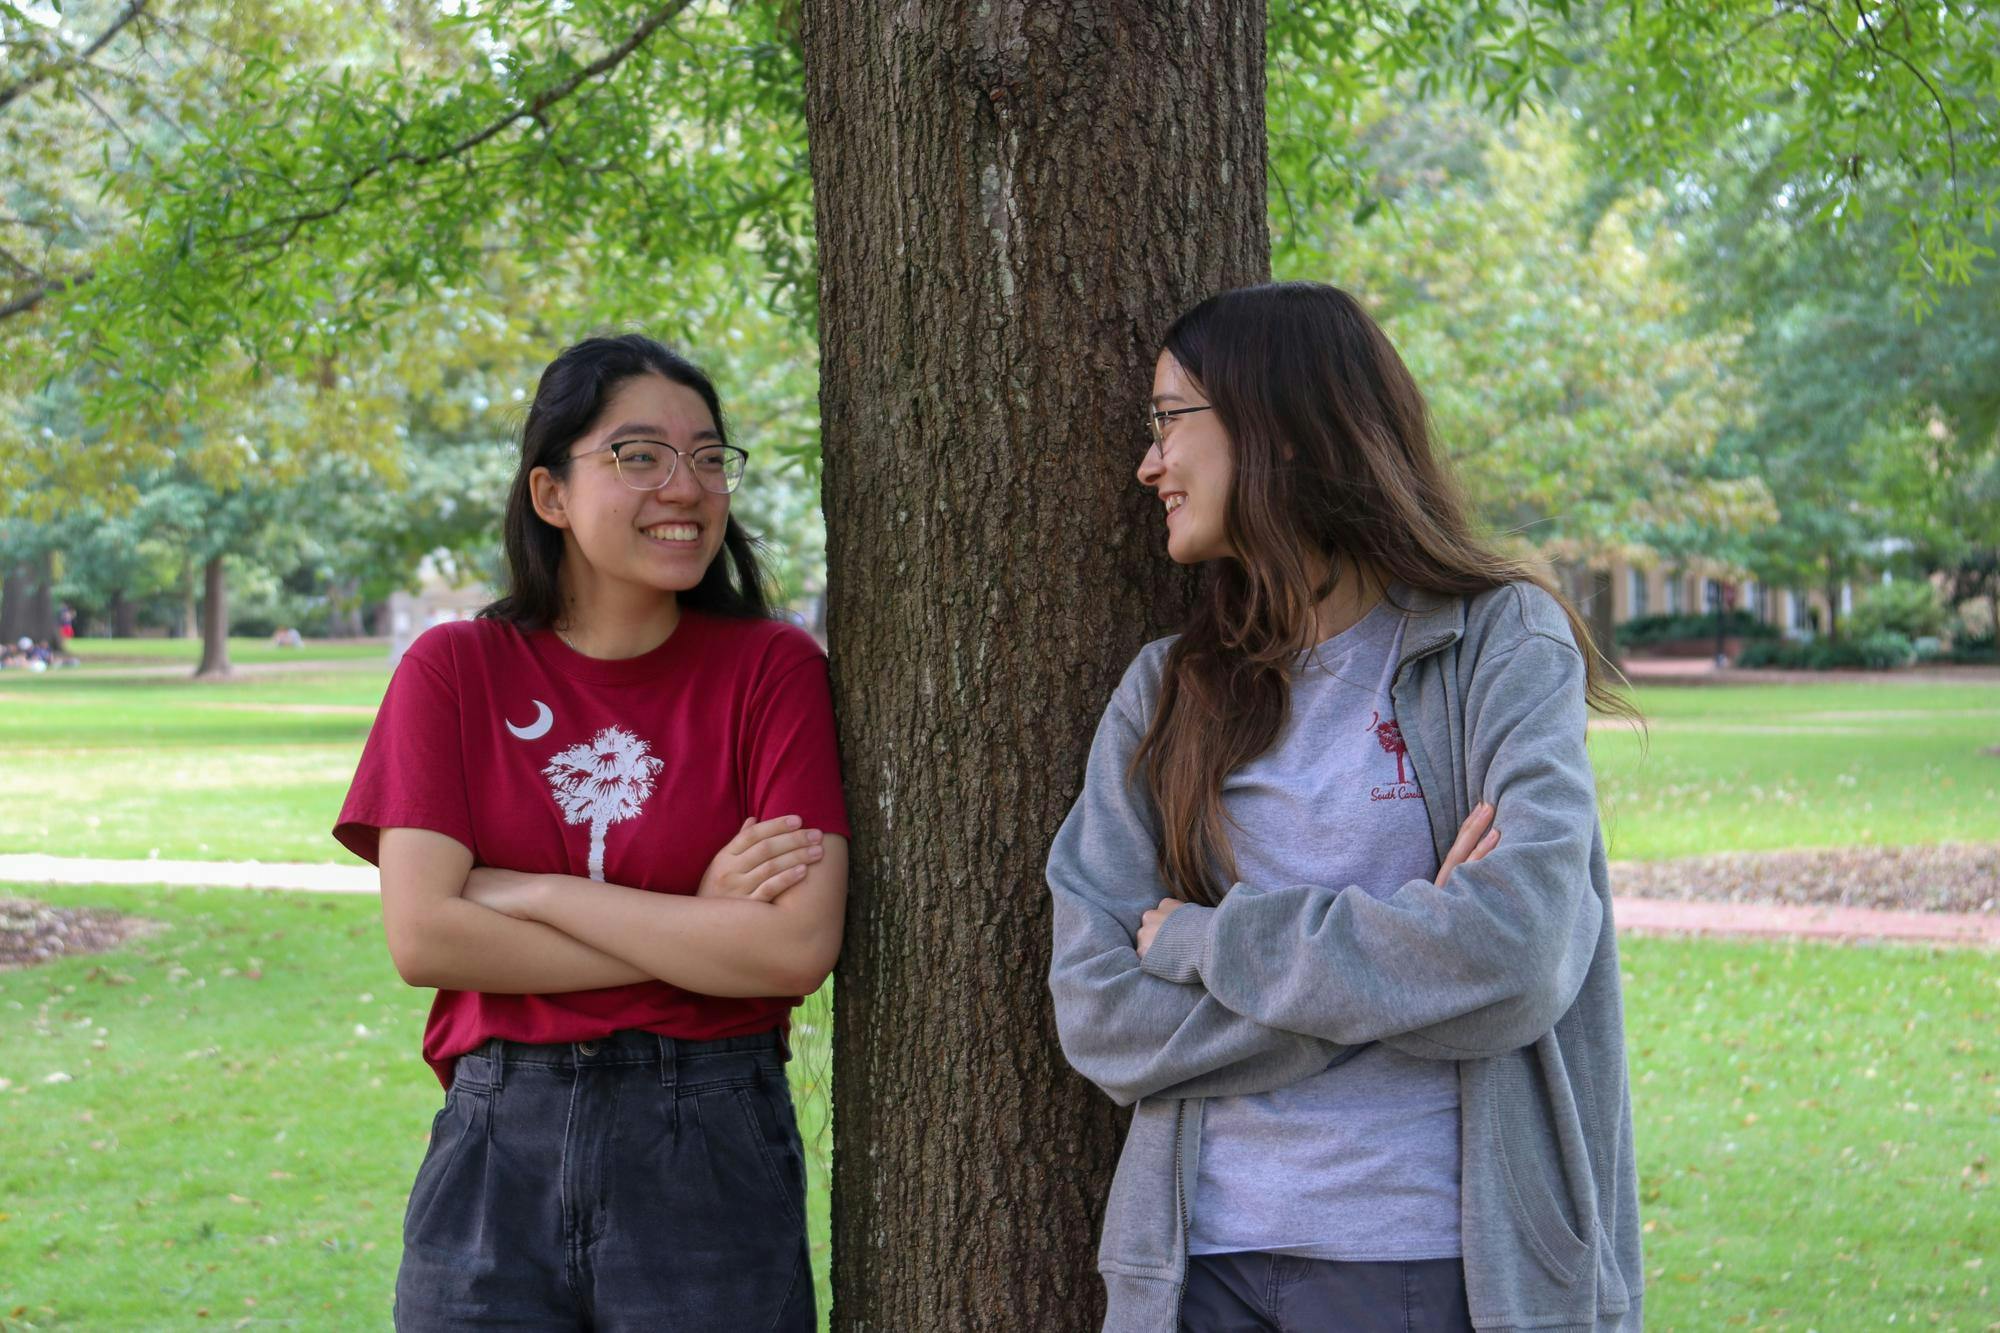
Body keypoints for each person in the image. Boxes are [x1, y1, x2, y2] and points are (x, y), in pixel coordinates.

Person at [1046, 282, 1642, 1333]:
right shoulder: (1164, 690)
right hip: (1196, 1270)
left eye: (1167, 420)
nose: (1148, 464)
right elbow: (1098, 1008)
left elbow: (1516, 955)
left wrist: (1205, 938)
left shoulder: (1500, 644)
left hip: (1430, 1262)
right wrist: (1403, 981)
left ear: (1273, 422)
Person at [334, 334, 849, 1330]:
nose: (684, 485)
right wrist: (693, 927)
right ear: (550, 494)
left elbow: (790, 946)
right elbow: (426, 937)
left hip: (705, 1143)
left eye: (707, 456)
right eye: (638, 454)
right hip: (495, 1149)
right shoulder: (454, 672)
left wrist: (524, 889)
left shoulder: (770, 670)